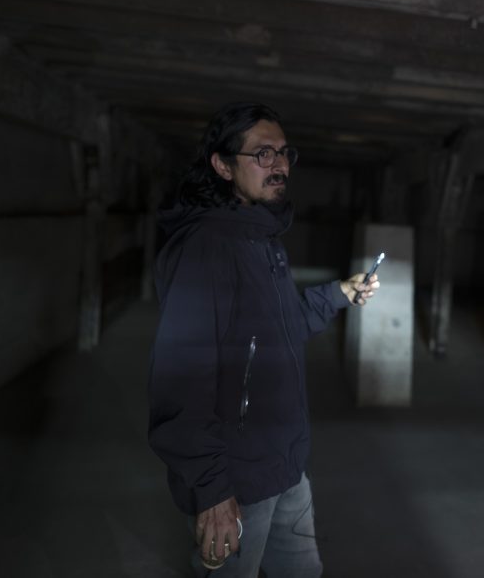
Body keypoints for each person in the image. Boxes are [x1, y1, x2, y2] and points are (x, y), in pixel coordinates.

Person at [148, 102, 379, 577]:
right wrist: (212, 491)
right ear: (222, 165)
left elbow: (279, 327)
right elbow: (181, 379)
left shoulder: (262, 237)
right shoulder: (206, 248)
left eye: (284, 153)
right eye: (263, 154)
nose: (279, 164)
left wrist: (338, 294)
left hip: (286, 467)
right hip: (238, 481)